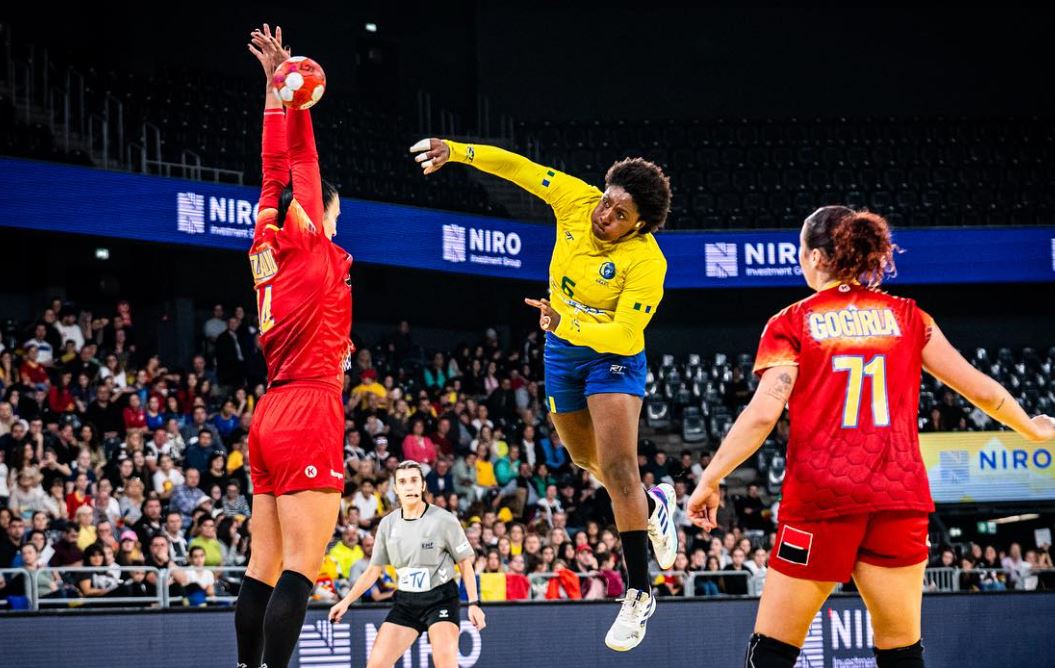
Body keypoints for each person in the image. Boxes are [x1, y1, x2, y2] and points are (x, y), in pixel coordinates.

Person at [686, 206, 1055, 668]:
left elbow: (763, 415)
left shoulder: (794, 322)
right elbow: (978, 386)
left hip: (822, 498)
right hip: (898, 497)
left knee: (773, 650)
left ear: (818, 257)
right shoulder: (907, 316)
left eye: (802, 251)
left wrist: (712, 477)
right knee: (901, 652)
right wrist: (1032, 427)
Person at [411, 134, 676, 651]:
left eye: (620, 214)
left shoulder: (647, 262)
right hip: (562, 350)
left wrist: (569, 320)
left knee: (620, 468)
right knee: (583, 458)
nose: (605, 215)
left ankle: (639, 592)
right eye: (607, 201)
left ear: (639, 224)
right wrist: (457, 151)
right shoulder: (576, 201)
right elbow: (518, 167)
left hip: (612, 357)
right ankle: (655, 506)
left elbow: (625, 335)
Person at [235, 24, 355, 668]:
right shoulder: (312, 244)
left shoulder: (263, 243)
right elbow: (299, 168)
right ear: (319, 214)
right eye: (334, 212)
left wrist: (278, 94)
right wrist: (289, 98)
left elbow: (273, 171)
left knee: (263, 566)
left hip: (270, 411)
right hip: (308, 407)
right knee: (299, 572)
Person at [329, 461, 485, 668]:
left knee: (445, 664)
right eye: (403, 482)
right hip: (406, 602)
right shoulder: (387, 524)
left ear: (422, 486)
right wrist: (345, 601)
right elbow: (373, 571)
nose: (409, 486)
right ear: (396, 488)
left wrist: (474, 604)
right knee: (376, 665)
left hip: (441, 599)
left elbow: (465, 563)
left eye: (414, 480)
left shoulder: (444, 520)